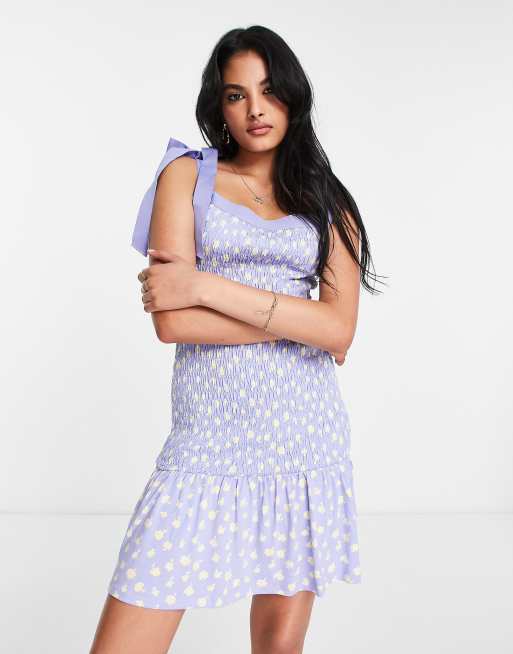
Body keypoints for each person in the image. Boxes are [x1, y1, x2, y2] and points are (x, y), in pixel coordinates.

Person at [90, 24, 383, 654]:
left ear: (293, 96)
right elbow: (172, 321)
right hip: (206, 446)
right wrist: (299, 322)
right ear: (217, 105)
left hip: (304, 443)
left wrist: (205, 286)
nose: (255, 109)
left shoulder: (326, 200)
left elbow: (340, 330)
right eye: (236, 94)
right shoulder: (186, 176)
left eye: (269, 91)